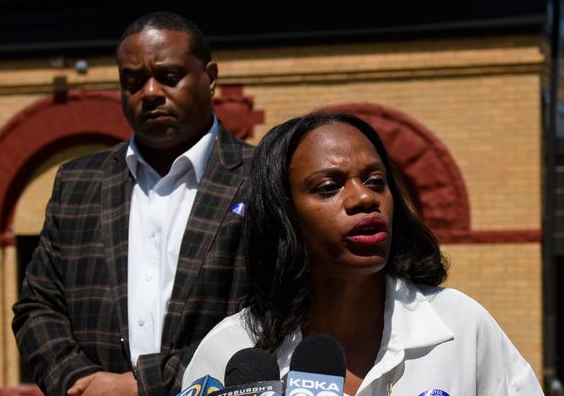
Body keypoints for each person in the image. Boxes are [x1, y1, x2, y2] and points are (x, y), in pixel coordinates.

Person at [181, 113, 543, 395]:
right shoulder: (231, 349)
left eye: (375, 181)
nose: (364, 198)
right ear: (283, 215)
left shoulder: (461, 327)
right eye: (329, 187)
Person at [12, 12, 252, 396]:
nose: (151, 92)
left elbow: (270, 317)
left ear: (209, 77)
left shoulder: (261, 180)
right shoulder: (78, 182)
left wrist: (144, 385)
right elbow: (37, 306)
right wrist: (76, 380)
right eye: (133, 82)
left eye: (169, 77)